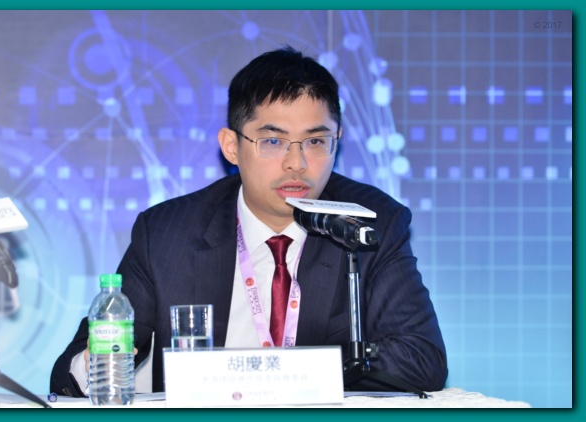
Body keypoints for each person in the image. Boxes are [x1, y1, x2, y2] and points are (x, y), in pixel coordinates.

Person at [50, 45, 448, 397]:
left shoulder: (371, 223)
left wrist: (284, 375)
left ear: (337, 140)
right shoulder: (167, 233)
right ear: (231, 146)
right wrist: (101, 360)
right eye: (273, 141)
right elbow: (71, 373)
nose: (297, 163)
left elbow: (422, 359)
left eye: (315, 141)